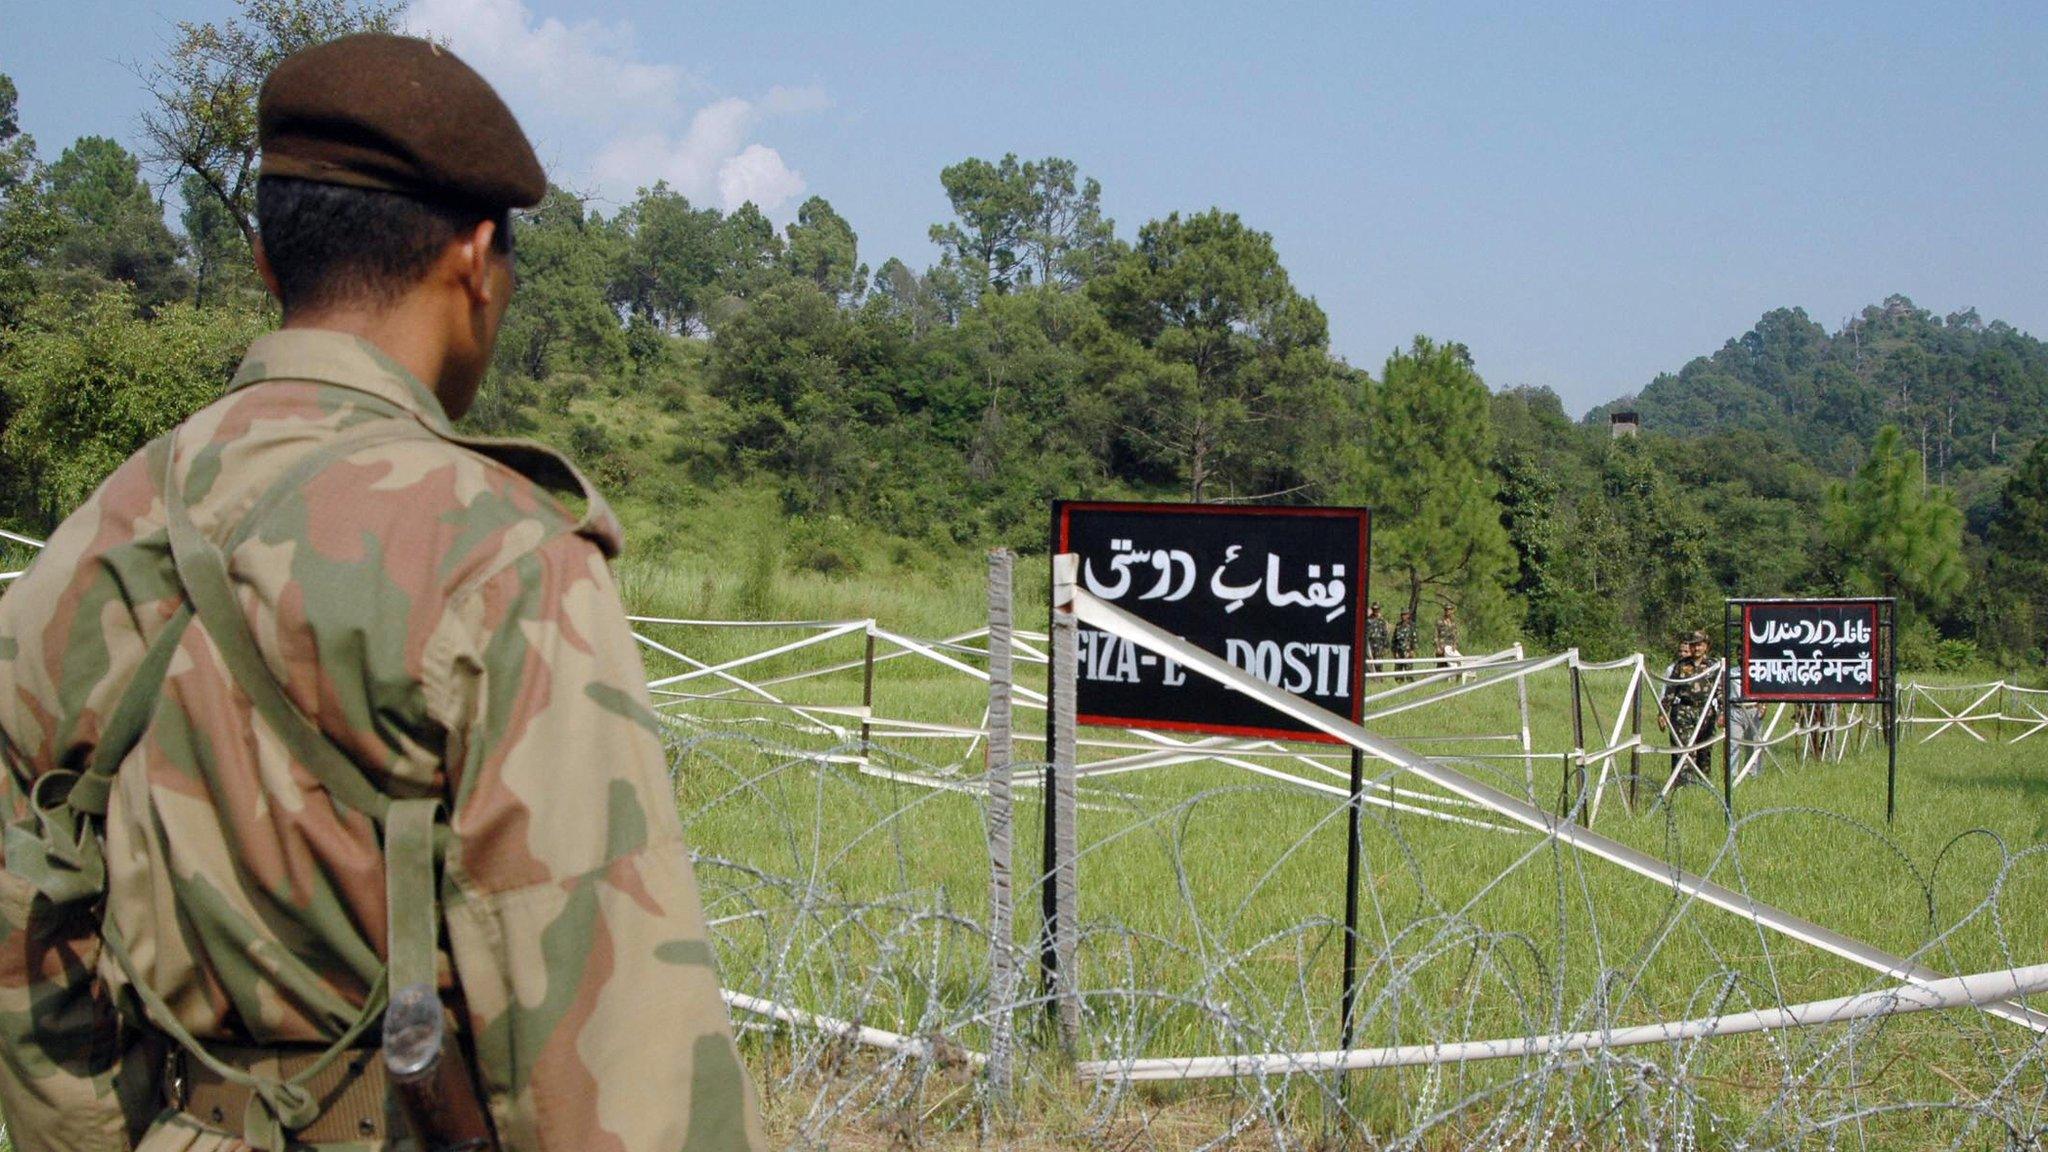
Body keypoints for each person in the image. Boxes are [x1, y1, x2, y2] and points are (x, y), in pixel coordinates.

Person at [0, 34, 763, 1152]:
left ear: (266, 263)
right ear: (475, 257)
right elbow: (616, 1048)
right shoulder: (499, 559)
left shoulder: (91, 542)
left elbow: (29, 947)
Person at [1658, 630, 1720, 783]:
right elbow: (1670, 691)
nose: (1696, 649)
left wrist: (1723, 713)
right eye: (1693, 645)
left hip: (1706, 712)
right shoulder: (1681, 666)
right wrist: (1662, 713)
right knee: (1684, 750)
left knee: (1704, 751)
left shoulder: (1713, 666)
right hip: (1684, 712)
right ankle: (1683, 786)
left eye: (1700, 645)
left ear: (1706, 646)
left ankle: (1703, 786)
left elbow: (1720, 691)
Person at [1435, 603, 1468, 682]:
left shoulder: (1453, 623)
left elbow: (1456, 635)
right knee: (1441, 665)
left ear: (1452, 611)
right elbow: (1435, 635)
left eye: (1449, 610)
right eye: (1446, 610)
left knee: (1455, 662)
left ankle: (1455, 679)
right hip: (1442, 646)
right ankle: (1441, 682)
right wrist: (1437, 647)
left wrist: (1455, 644)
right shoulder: (1440, 622)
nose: (1448, 611)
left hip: (1450, 647)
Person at [1392, 608, 1419, 680]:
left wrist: (1413, 650)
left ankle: (1410, 687)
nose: (1403, 616)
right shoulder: (1398, 625)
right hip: (1399, 651)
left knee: (1409, 672)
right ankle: (1399, 685)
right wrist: (1394, 651)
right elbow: (1394, 639)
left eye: (1405, 614)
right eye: (1402, 614)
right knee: (1398, 672)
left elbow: (1415, 639)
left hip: (1408, 651)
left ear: (1408, 615)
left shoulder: (1412, 625)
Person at [1364, 601, 1389, 675]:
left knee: (1378, 664)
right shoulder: (1368, 620)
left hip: (1379, 646)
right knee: (1369, 664)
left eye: (1377, 609)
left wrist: (1386, 646)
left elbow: (1385, 634)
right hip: (1370, 646)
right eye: (1374, 609)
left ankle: (1379, 679)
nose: (1376, 611)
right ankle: (1370, 679)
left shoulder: (1382, 621)